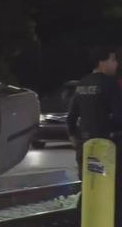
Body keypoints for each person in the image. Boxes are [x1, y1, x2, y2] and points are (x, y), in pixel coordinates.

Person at [66, 45, 122, 225]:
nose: (116, 64)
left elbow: (72, 116)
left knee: (90, 185)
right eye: (113, 59)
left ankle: (84, 219)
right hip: (109, 146)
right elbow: (119, 116)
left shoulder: (83, 83)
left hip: (86, 145)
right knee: (114, 189)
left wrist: (74, 136)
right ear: (102, 62)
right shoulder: (110, 84)